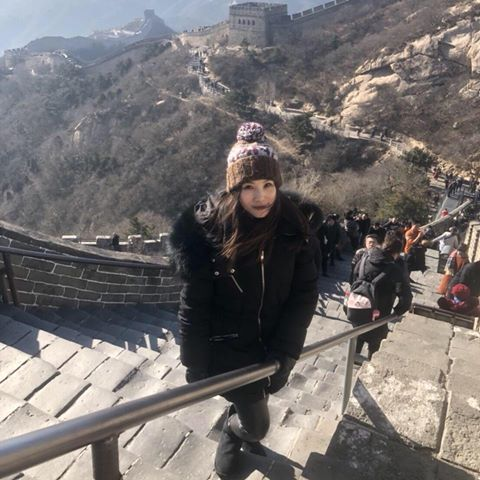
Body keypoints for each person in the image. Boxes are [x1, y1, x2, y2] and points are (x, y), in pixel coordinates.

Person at [170, 122, 320, 478]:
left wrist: (286, 350)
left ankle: (240, 421)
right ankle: (233, 434)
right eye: (248, 187)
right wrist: (194, 361)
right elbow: (194, 305)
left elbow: (304, 293)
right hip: (230, 352)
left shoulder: (293, 228)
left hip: (273, 347)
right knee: (258, 426)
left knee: (260, 400)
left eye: (268, 185)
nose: (260, 196)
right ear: (234, 187)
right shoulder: (212, 234)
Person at [350, 235, 412, 359]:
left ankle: (352, 360)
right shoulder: (395, 270)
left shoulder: (365, 257)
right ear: (396, 253)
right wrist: (396, 313)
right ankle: (368, 363)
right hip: (380, 315)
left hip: (358, 308)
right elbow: (406, 298)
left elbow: (352, 278)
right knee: (375, 343)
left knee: (357, 334)